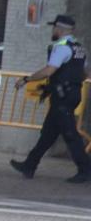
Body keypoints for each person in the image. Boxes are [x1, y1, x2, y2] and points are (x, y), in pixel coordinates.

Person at [11, 14, 90, 184]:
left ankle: (86, 170)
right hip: (70, 94)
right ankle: (29, 165)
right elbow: (84, 74)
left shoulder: (61, 47)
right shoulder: (79, 48)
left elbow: (49, 70)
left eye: (54, 28)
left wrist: (27, 79)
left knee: (71, 135)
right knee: (48, 133)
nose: (53, 31)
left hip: (63, 97)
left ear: (60, 29)